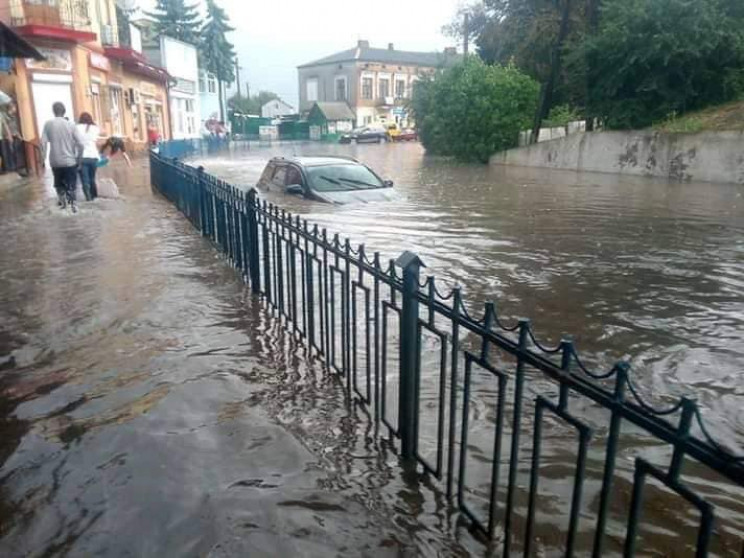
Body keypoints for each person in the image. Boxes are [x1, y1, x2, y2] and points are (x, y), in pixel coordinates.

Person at [40, 102, 83, 211]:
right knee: (71, 185)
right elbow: (81, 144)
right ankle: (73, 206)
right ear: (64, 111)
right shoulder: (71, 125)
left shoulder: (48, 124)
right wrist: (79, 159)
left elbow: (43, 143)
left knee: (59, 184)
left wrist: (42, 159)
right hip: (70, 161)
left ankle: (64, 206)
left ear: (53, 111)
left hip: (55, 162)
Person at [76, 112, 99, 201]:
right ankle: (95, 197)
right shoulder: (95, 128)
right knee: (92, 178)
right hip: (93, 157)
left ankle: (88, 199)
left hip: (82, 157)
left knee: (85, 180)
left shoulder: (76, 128)